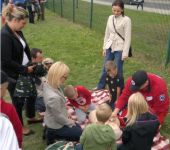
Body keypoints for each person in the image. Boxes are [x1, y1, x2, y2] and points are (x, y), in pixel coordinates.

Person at [1, 5, 39, 135]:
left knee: (32, 94)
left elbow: (24, 48)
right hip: (14, 75)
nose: (24, 26)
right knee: (18, 102)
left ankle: (31, 116)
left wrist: (30, 62)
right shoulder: (4, 36)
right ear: (15, 20)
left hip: (25, 69)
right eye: (23, 23)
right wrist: (24, 69)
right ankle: (20, 127)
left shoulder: (16, 31)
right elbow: (6, 61)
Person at [43, 61, 82, 145]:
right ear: (58, 76)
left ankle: (49, 133)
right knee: (80, 132)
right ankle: (53, 135)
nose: (66, 79)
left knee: (76, 127)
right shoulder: (54, 97)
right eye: (65, 77)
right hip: (56, 125)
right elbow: (58, 117)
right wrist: (69, 122)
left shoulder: (48, 84)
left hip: (51, 118)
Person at [95, 0, 131, 90]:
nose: (116, 13)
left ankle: (119, 89)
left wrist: (125, 53)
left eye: (118, 11)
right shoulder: (110, 18)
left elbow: (128, 37)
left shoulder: (126, 20)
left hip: (120, 48)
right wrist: (104, 48)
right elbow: (107, 33)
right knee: (105, 67)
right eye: (114, 10)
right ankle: (100, 86)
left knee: (118, 69)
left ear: (122, 9)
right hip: (109, 46)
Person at [0, 71, 23, 148]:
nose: (6, 91)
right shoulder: (8, 109)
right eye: (5, 88)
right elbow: (17, 129)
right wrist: (19, 145)